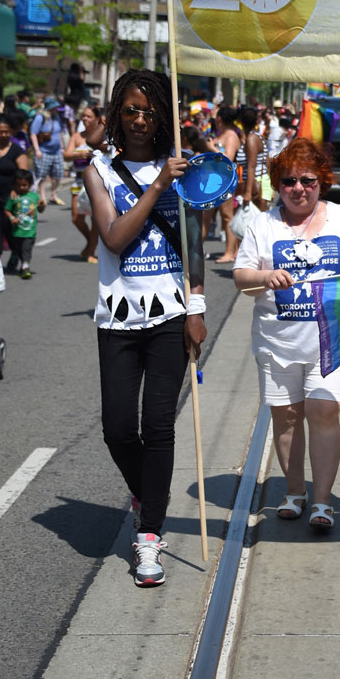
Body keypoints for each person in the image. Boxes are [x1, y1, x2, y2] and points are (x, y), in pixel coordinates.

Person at [84, 70, 206, 587]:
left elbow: (195, 245)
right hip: (117, 315)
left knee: (159, 426)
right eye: (130, 110)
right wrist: (159, 184)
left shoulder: (184, 169)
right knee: (117, 428)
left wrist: (197, 308)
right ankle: (148, 492)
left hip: (170, 315)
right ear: (117, 113)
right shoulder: (98, 169)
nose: (138, 120)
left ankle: (149, 536)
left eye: (148, 111)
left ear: (163, 117)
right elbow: (112, 238)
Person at [233, 138, 340, 530]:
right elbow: (240, 277)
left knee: (324, 408)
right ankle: (294, 491)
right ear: (277, 185)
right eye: (288, 181)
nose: (298, 189)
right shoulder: (262, 224)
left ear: (322, 181)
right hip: (277, 339)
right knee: (285, 417)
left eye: (307, 180)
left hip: (332, 338)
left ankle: (322, 501)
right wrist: (265, 277)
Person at [64, 105, 107, 261]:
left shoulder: (103, 136)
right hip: (79, 180)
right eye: (83, 116)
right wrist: (78, 154)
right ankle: (91, 242)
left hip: (97, 181)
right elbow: (66, 155)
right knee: (76, 217)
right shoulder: (77, 136)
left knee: (95, 219)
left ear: (97, 119)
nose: (85, 119)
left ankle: (90, 252)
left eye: (89, 116)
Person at [0, 115, 30, 251]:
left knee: (9, 227)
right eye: (0, 131)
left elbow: (23, 174)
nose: (4, 135)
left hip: (10, 195)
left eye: (7, 131)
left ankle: (16, 253)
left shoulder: (16, 150)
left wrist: (16, 190)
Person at [204, 105, 241, 261]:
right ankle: (197, 250)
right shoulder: (222, 134)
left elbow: (229, 157)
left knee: (227, 216)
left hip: (225, 180)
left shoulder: (231, 135)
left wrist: (212, 148)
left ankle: (229, 252)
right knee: (205, 214)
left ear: (220, 119)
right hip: (213, 179)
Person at [5, 167, 45, 279]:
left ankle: (25, 268)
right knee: (17, 249)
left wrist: (42, 204)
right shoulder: (14, 196)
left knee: (26, 250)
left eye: (24, 185)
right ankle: (15, 258)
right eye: (18, 185)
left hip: (29, 231)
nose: (21, 188)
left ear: (30, 184)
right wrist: (12, 218)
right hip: (17, 231)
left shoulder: (34, 197)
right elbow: (7, 210)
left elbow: (41, 210)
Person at [30, 97, 67, 205]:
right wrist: (37, 149)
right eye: (53, 107)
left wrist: (61, 147)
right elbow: (33, 133)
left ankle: (53, 195)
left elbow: (59, 132)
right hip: (44, 151)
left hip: (56, 151)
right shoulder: (40, 117)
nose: (55, 109)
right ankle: (42, 196)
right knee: (42, 175)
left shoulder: (56, 117)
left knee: (58, 174)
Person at [236, 105, 273, 210]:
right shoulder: (257, 137)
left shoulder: (251, 139)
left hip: (255, 186)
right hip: (261, 182)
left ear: (240, 122)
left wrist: (247, 193)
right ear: (257, 121)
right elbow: (267, 162)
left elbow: (251, 166)